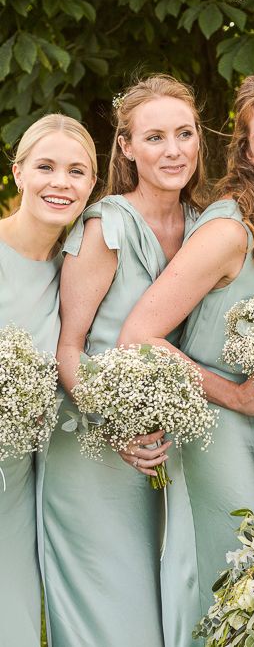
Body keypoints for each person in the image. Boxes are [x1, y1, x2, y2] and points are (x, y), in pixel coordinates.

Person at [118, 71, 254, 645]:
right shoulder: (231, 227)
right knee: (234, 576)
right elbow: (140, 334)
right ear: (246, 150)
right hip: (214, 422)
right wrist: (231, 393)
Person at [40, 74, 205, 646]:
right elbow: (70, 347)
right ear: (127, 147)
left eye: (184, 133)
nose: (174, 150)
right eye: (155, 137)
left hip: (166, 447)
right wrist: (113, 426)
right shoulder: (103, 226)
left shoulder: (205, 223)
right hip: (94, 448)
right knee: (116, 618)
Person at [0, 114, 96, 647]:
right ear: (18, 173)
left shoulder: (76, 267)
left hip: (19, 480)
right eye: (46, 167)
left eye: (77, 171)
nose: (61, 182)